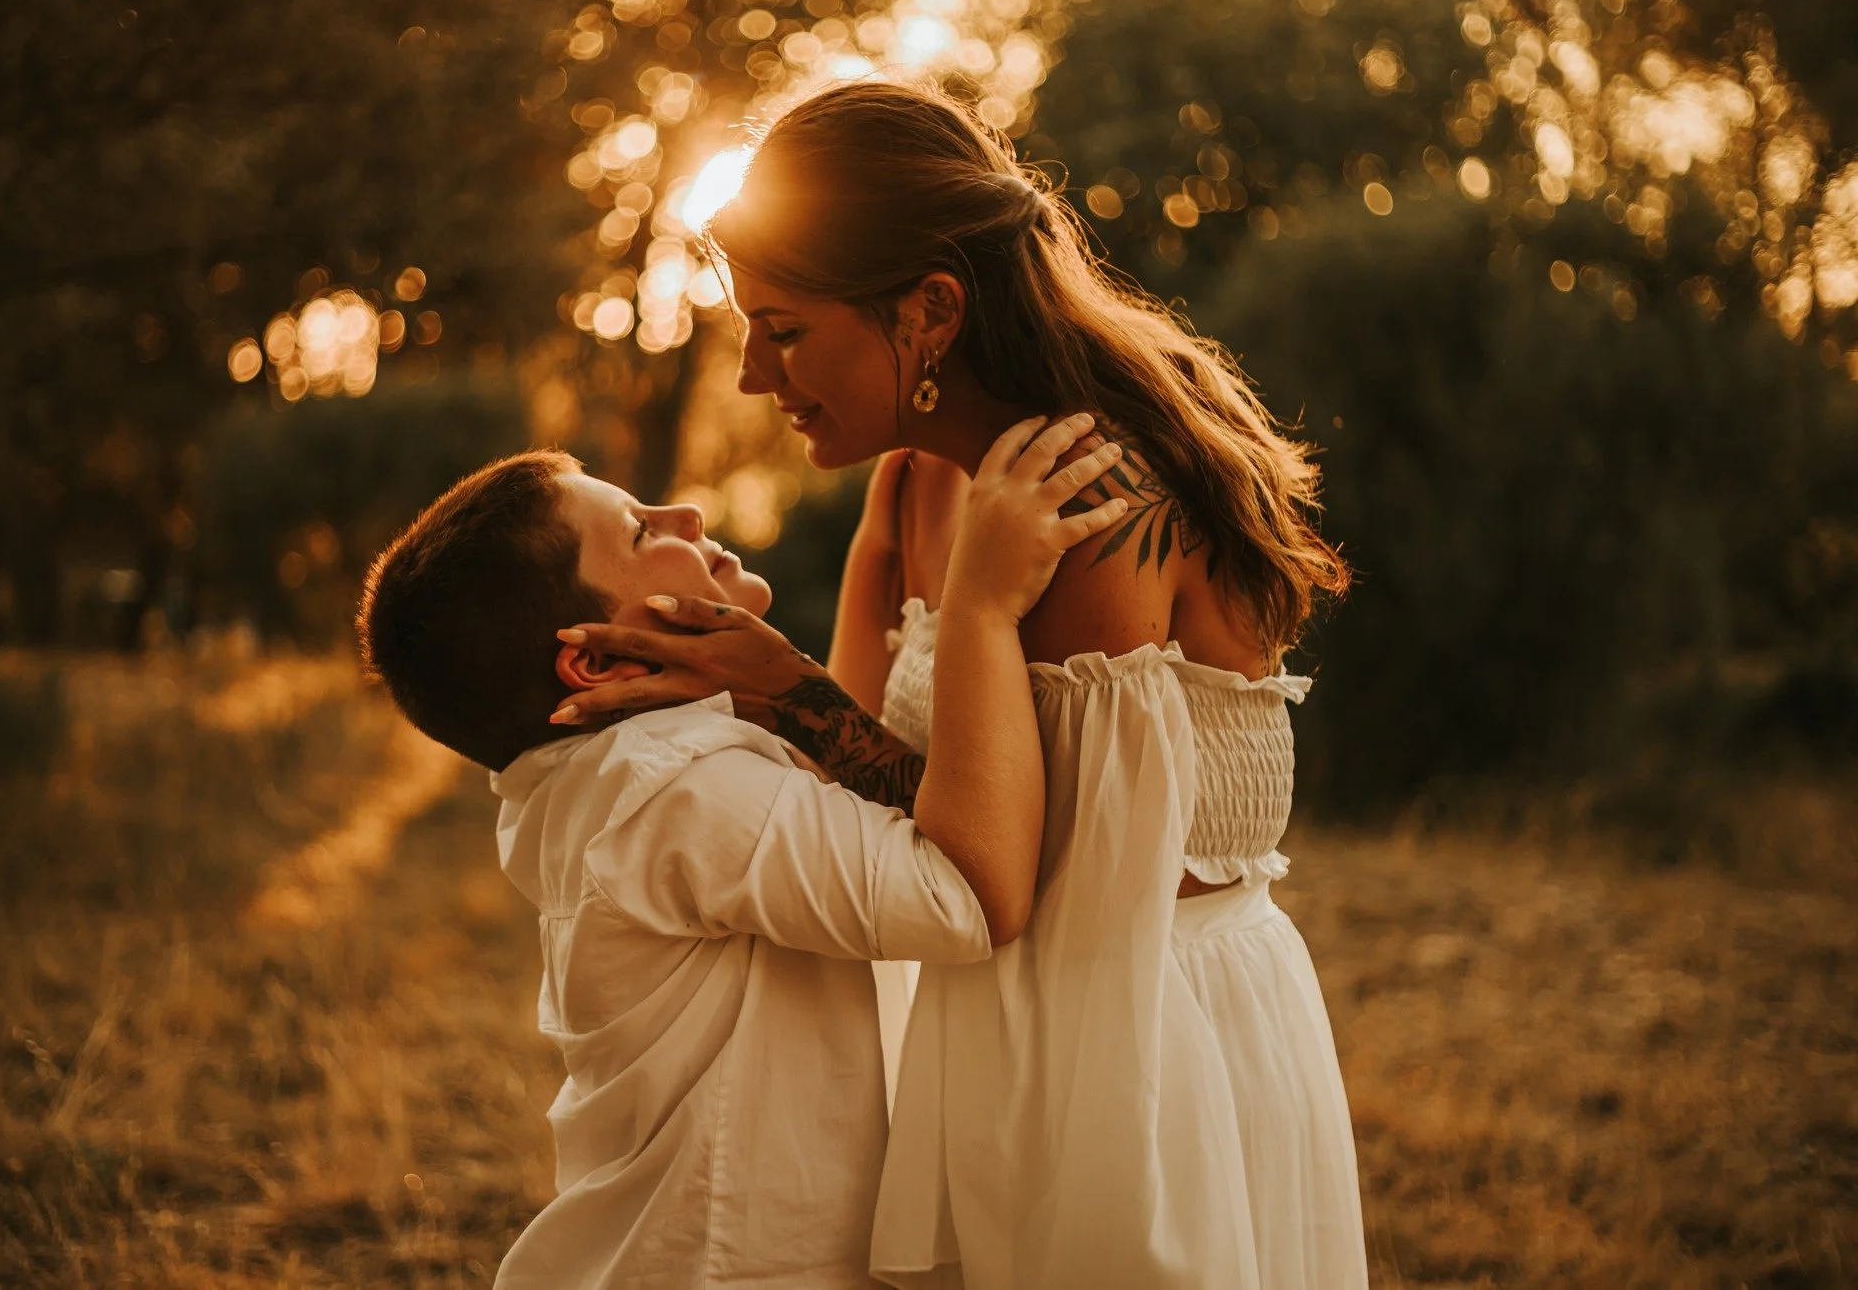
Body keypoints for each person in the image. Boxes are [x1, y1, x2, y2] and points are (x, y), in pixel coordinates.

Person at [550, 80, 1367, 1288]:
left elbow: (1017, 876)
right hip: (982, 1025)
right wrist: (737, 689)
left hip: (1139, 1048)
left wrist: (784, 683)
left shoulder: (1096, 507)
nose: (749, 380)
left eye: (781, 330)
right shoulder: (911, 483)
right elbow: (887, 813)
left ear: (929, 311)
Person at [355, 418, 1130, 1289]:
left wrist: (877, 554)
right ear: (597, 660)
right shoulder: (673, 791)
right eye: (644, 531)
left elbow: (848, 774)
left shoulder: (598, 777)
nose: (685, 511)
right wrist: (981, 600)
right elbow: (968, 898)